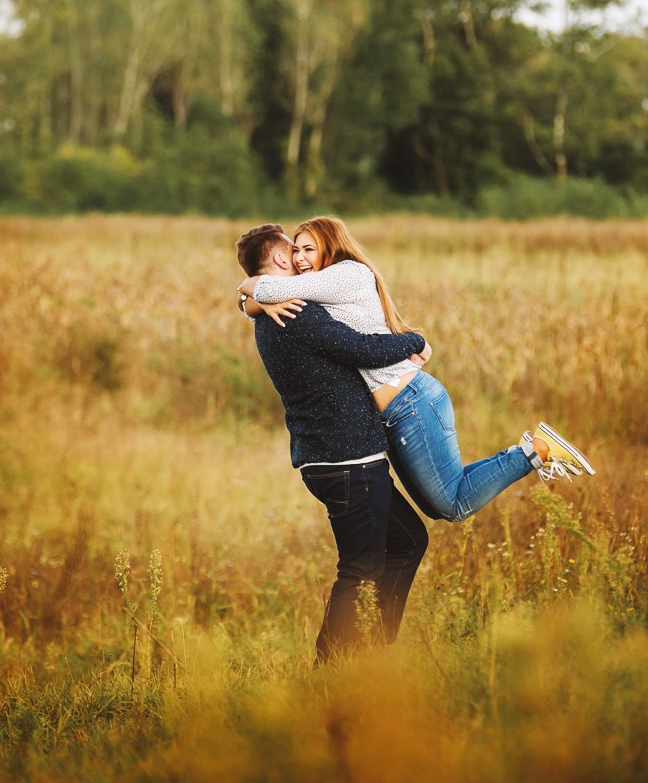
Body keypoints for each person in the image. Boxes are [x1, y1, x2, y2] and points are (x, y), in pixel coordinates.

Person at [238, 216, 596, 525]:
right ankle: (526, 451)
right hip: (392, 413)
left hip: (410, 402)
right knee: (438, 506)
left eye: (308, 250)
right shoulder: (317, 286)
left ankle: (538, 451)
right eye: (296, 251)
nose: (299, 258)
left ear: (331, 246)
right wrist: (254, 303)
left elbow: (266, 286)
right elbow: (267, 294)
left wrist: (247, 290)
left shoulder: (345, 274)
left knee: (453, 505)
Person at [235, 223, 430, 664]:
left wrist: (248, 299)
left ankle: (375, 650)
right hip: (348, 462)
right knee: (360, 568)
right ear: (280, 259)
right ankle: (330, 668)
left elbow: (251, 297)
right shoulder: (297, 312)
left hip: (333, 458)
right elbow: (364, 350)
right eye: (295, 251)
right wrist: (415, 340)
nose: (302, 260)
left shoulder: (270, 312)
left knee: (407, 541)